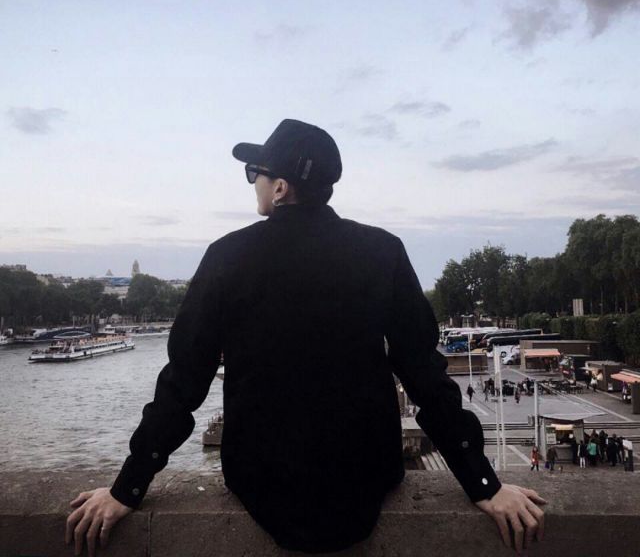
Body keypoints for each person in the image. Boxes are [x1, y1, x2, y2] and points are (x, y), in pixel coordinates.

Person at [65, 120, 546, 556]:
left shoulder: (227, 257)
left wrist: (129, 486)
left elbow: (184, 381)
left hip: (262, 481)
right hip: (365, 479)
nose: (252, 182)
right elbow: (424, 374)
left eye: (254, 172)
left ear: (280, 187)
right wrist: (482, 482)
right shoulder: (382, 252)